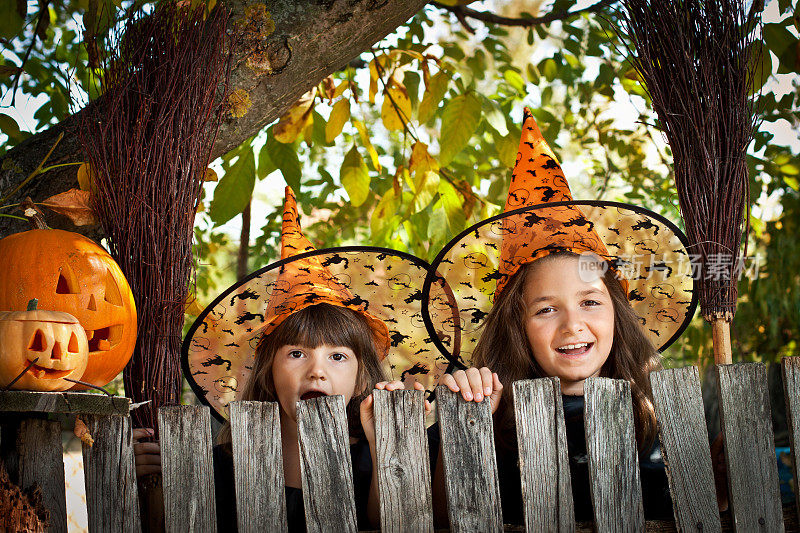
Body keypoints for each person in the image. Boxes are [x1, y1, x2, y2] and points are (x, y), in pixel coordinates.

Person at [424, 108, 701, 524]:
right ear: (517, 328)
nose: (572, 325)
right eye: (547, 309)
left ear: (616, 315)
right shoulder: (493, 410)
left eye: (590, 302)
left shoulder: (663, 414)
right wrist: (466, 421)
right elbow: (442, 518)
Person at [135, 187, 439, 532]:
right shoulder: (220, 466)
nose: (317, 371)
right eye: (297, 354)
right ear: (269, 373)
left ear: (361, 378)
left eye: (337, 356)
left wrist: (387, 443)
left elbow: (390, 523)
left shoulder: (372, 458)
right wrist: (140, 484)